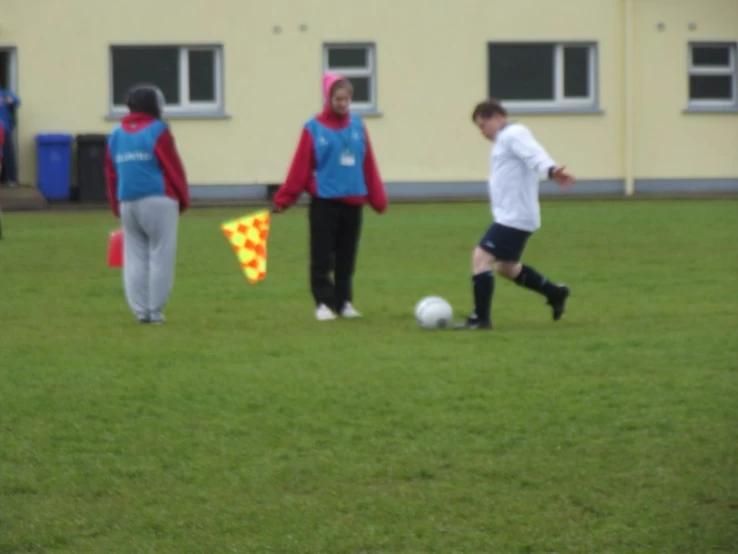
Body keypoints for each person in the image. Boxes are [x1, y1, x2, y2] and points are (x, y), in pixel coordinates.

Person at [273, 73, 388, 321]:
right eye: (338, 98)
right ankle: (324, 303)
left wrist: (377, 197)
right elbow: (300, 168)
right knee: (322, 255)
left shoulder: (358, 126)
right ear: (328, 98)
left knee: (347, 256)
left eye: (346, 99)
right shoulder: (313, 128)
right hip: (324, 203)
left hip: (353, 202)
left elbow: (368, 164)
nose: (342, 104)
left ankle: (344, 301)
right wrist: (285, 198)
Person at [456, 99, 576, 330]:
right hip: (513, 216)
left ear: (497, 117)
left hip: (514, 217)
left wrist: (551, 170)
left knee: (481, 258)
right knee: (506, 267)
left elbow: (535, 155)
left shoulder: (514, 134)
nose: (482, 132)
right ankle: (555, 293)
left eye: (483, 125)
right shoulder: (504, 140)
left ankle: (481, 319)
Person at [105, 84, 190, 324]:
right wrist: (182, 198)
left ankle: (140, 311)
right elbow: (172, 167)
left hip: (127, 202)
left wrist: (115, 204)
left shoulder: (115, 134)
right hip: (159, 200)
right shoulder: (159, 130)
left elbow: (111, 174)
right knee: (161, 255)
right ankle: (155, 310)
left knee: (134, 257)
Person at [0, 85, 20, 186]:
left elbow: (17, 101)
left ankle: (12, 180)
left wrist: (11, 101)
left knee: (8, 155)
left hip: (5, 129)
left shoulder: (5, 93)